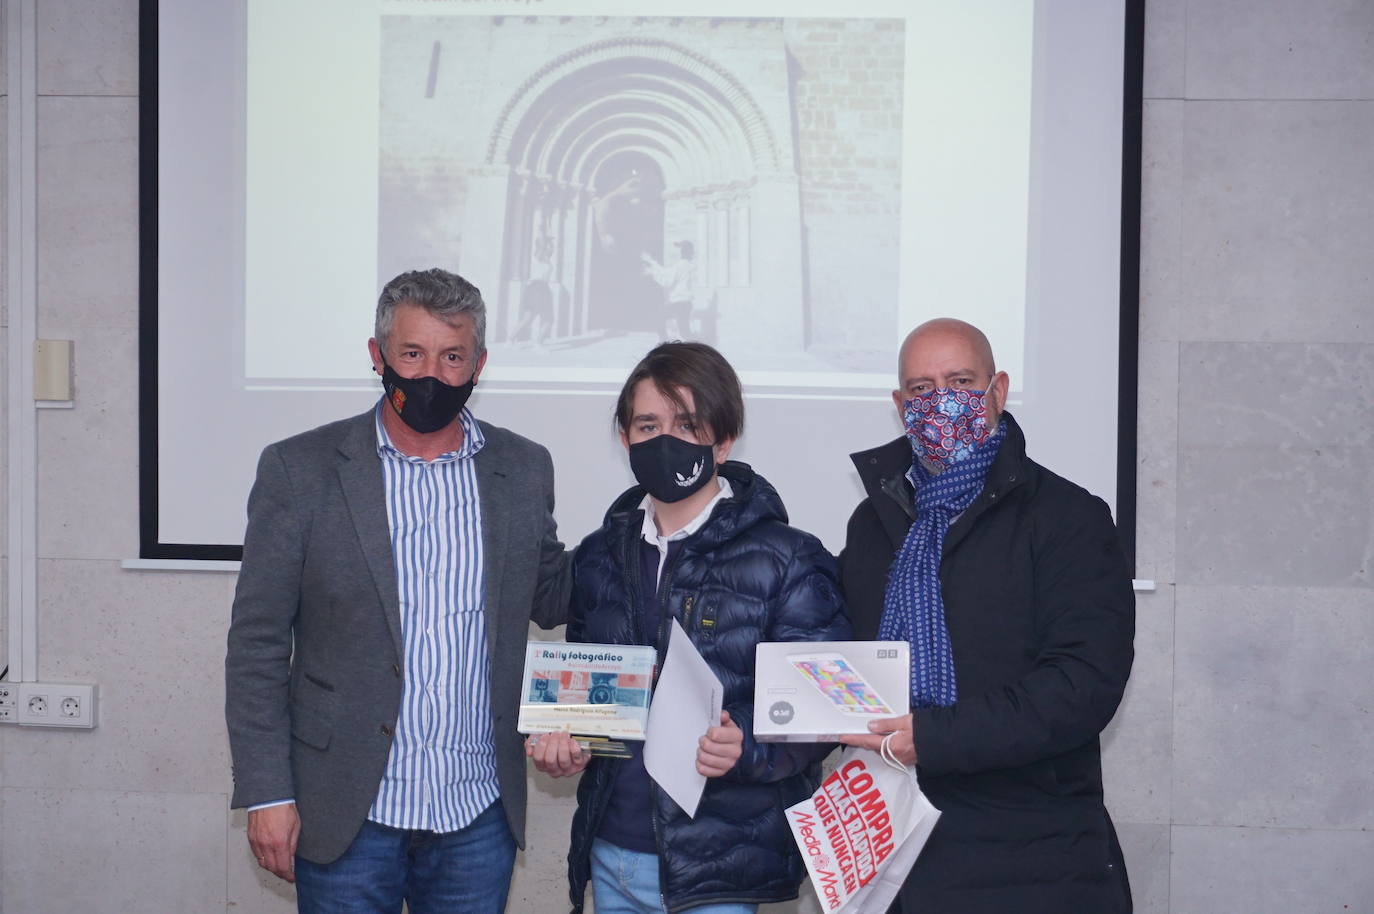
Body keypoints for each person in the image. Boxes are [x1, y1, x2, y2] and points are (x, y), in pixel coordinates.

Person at [224, 268, 571, 913]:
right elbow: (257, 644)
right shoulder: (299, 470)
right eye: (411, 354)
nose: (431, 375)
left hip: (477, 809)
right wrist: (268, 793)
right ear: (377, 355)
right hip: (346, 809)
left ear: (479, 364)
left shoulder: (523, 468)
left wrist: (654, 525)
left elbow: (552, 593)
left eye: (452, 357)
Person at [528, 341, 851, 914]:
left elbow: (823, 708)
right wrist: (568, 744)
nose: (665, 440)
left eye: (687, 424)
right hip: (611, 853)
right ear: (625, 439)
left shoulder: (790, 558)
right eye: (647, 425)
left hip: (718, 869)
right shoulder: (599, 555)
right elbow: (584, 694)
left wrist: (745, 744)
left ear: (722, 441)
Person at [838, 318, 1135, 913]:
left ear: (998, 390)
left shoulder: (1067, 517)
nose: (940, 400)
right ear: (899, 406)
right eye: (921, 389)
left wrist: (936, 737)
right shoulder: (872, 525)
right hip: (893, 845)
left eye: (960, 380)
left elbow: (1083, 686)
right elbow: (845, 659)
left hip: (1033, 854)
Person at [642, 240, 696, 339]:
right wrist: (652, 262)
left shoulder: (680, 265)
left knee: (659, 318)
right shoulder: (687, 265)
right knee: (684, 330)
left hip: (679, 302)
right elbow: (666, 272)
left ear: (682, 252)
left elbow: (667, 282)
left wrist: (652, 273)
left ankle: (665, 342)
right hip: (686, 302)